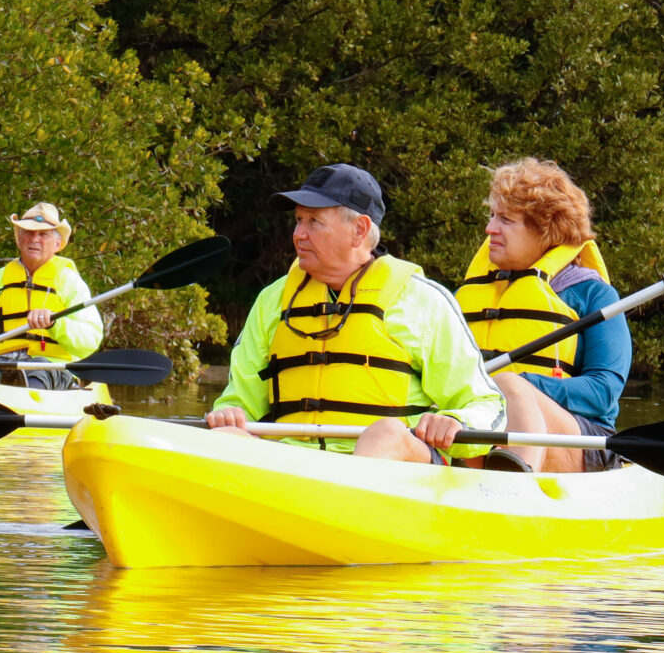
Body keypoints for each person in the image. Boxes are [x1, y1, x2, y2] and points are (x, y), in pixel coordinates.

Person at [204, 164, 507, 463]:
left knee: (385, 433)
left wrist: (456, 420)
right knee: (225, 439)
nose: (299, 234)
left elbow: (486, 405)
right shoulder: (272, 300)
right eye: (298, 220)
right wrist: (230, 413)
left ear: (359, 230)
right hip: (291, 462)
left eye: (314, 221)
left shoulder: (422, 300)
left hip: (397, 467)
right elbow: (239, 399)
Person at [456, 157, 629, 473]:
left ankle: (517, 478)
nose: (489, 228)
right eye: (492, 216)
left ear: (547, 229)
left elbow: (603, 393)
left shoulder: (594, 296)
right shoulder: (471, 294)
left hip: (582, 443)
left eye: (506, 220)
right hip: (482, 422)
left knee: (509, 386)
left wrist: (515, 386)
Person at [0, 202, 103, 364]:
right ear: (19, 239)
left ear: (57, 244)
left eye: (43, 234)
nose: (34, 239)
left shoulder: (70, 282)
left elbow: (90, 340)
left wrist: (56, 323)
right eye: (28, 232)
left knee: (34, 378)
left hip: (51, 368)